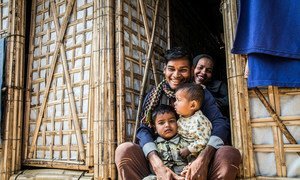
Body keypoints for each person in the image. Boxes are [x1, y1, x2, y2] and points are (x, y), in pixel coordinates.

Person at [115, 47, 241, 180]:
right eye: (171, 69)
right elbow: (144, 129)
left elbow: (220, 123)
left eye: (183, 70)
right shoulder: (153, 96)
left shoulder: (198, 94)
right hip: (160, 159)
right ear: (164, 70)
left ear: (192, 71)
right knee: (125, 150)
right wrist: (156, 163)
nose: (176, 75)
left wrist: (203, 159)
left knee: (229, 154)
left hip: (194, 161)